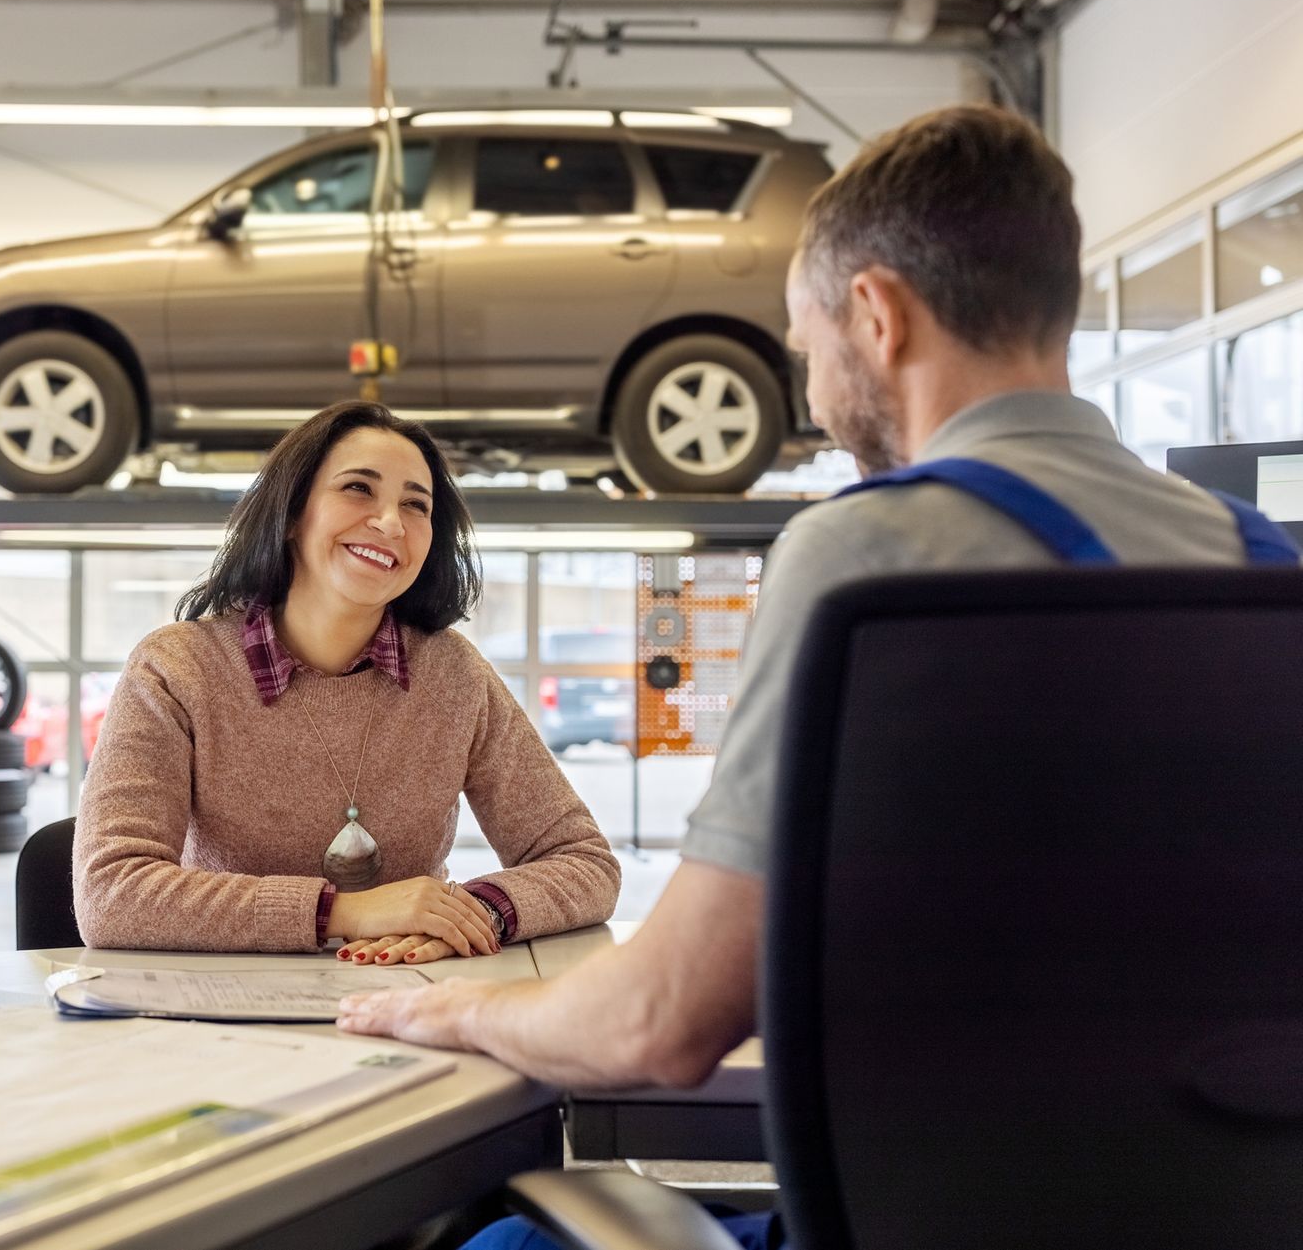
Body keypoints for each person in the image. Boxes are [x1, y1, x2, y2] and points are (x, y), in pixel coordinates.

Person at [335, 103, 1300, 1249]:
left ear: (876, 316)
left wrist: (454, 1013)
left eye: (804, 348)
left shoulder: (863, 551)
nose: (813, 392)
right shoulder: (1265, 566)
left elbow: (661, 1024)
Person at [74, 400, 620, 962]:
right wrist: (347, 912)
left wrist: (473, 911)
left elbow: (584, 861)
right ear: (291, 514)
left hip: (405, 995)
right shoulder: (176, 669)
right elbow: (111, 892)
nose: (390, 522)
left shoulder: (455, 675)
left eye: (415, 504)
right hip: (222, 1009)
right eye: (359, 488)